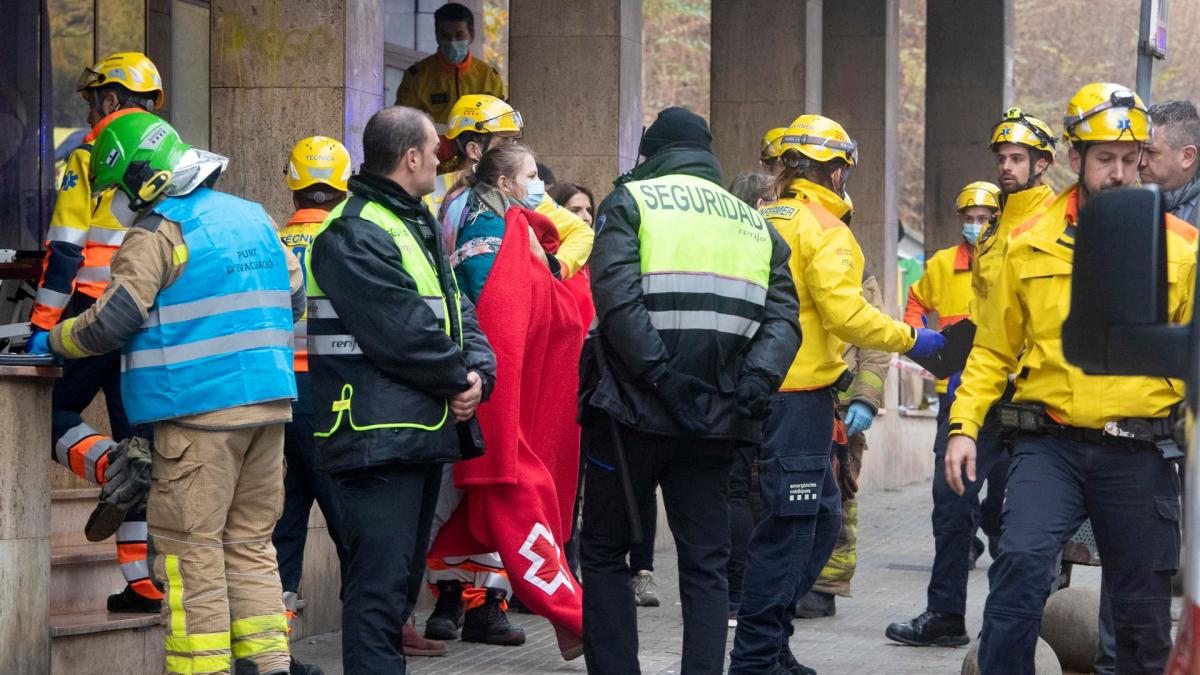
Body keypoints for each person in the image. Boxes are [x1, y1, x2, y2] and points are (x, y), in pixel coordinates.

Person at [30, 113, 304, 674]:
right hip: (269, 411)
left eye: (123, 188)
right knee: (251, 547)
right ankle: (269, 666)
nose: (123, 201)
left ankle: (202, 669)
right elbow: (293, 300)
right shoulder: (254, 218)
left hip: (197, 419)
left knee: (190, 553)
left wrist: (53, 340)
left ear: (142, 176)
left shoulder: (159, 232)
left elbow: (112, 323)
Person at [945, 83, 1195, 675]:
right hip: (1048, 445)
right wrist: (962, 427)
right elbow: (992, 351)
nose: (1118, 173)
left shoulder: (1182, 249)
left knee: (1142, 618)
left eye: (1130, 160)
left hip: (1141, 452)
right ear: (1075, 158)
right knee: (1020, 574)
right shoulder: (1028, 245)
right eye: (1104, 158)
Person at [580, 105, 802, 675]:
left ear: (651, 153)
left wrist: (660, 378)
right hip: (718, 420)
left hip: (629, 414)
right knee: (706, 564)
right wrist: (753, 382)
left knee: (605, 553)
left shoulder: (631, 204)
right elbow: (783, 321)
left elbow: (617, 301)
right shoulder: (756, 224)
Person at [728, 116, 945, 675]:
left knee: (819, 520)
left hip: (769, 394)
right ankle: (756, 656)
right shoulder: (825, 227)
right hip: (796, 396)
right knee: (792, 527)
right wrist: (914, 339)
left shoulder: (758, 216)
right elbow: (846, 314)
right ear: (836, 169)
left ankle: (772, 642)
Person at [304, 106, 496, 674]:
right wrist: (459, 378)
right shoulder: (354, 227)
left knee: (398, 590)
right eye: (436, 148)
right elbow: (402, 330)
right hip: (374, 436)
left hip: (415, 432)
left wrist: (479, 375)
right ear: (410, 157)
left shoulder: (414, 221)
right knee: (379, 591)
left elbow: (459, 312)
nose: (443, 157)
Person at [887, 108, 1059, 649]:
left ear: (1042, 164)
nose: (1006, 167)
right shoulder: (993, 232)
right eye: (1001, 158)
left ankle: (1027, 627)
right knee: (950, 500)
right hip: (978, 383)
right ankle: (945, 615)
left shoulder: (1056, 222)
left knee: (1020, 520)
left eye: (1016, 159)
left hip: (1031, 389)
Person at [428, 142, 587, 659]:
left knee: (453, 523)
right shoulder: (490, 229)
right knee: (497, 507)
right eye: (531, 175)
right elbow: (497, 315)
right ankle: (577, 619)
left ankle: (462, 607)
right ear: (504, 183)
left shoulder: (480, 217)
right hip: (485, 398)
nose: (538, 185)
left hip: (481, 391)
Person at [25, 52, 165, 614]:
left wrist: (41, 327)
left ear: (111, 100)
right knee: (141, 448)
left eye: (94, 99)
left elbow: (64, 249)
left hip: (91, 312)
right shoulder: (170, 161)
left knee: (41, 416)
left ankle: (110, 466)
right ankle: (142, 584)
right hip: (149, 317)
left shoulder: (89, 155)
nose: (91, 110)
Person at [794, 274, 892, 619]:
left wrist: (865, 399)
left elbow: (876, 343)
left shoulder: (857, 272)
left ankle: (826, 588)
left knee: (839, 499)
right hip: (794, 399)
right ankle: (788, 581)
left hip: (841, 411)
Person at [438, 95, 594, 278]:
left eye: (513, 141)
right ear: (473, 150)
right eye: (504, 143)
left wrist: (556, 268)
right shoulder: (430, 190)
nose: (512, 150)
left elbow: (581, 232)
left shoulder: (523, 193)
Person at [393, 2, 506, 124]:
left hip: (477, 143)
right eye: (445, 35)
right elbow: (403, 124)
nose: (452, 41)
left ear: (472, 36)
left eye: (459, 35)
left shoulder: (489, 77)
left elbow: (499, 123)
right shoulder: (417, 76)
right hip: (432, 143)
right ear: (437, 36)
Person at [1143, 100, 1200, 226]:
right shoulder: (1130, 197)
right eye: (1139, 150)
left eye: (1151, 152)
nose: (1140, 162)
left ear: (1187, 156)